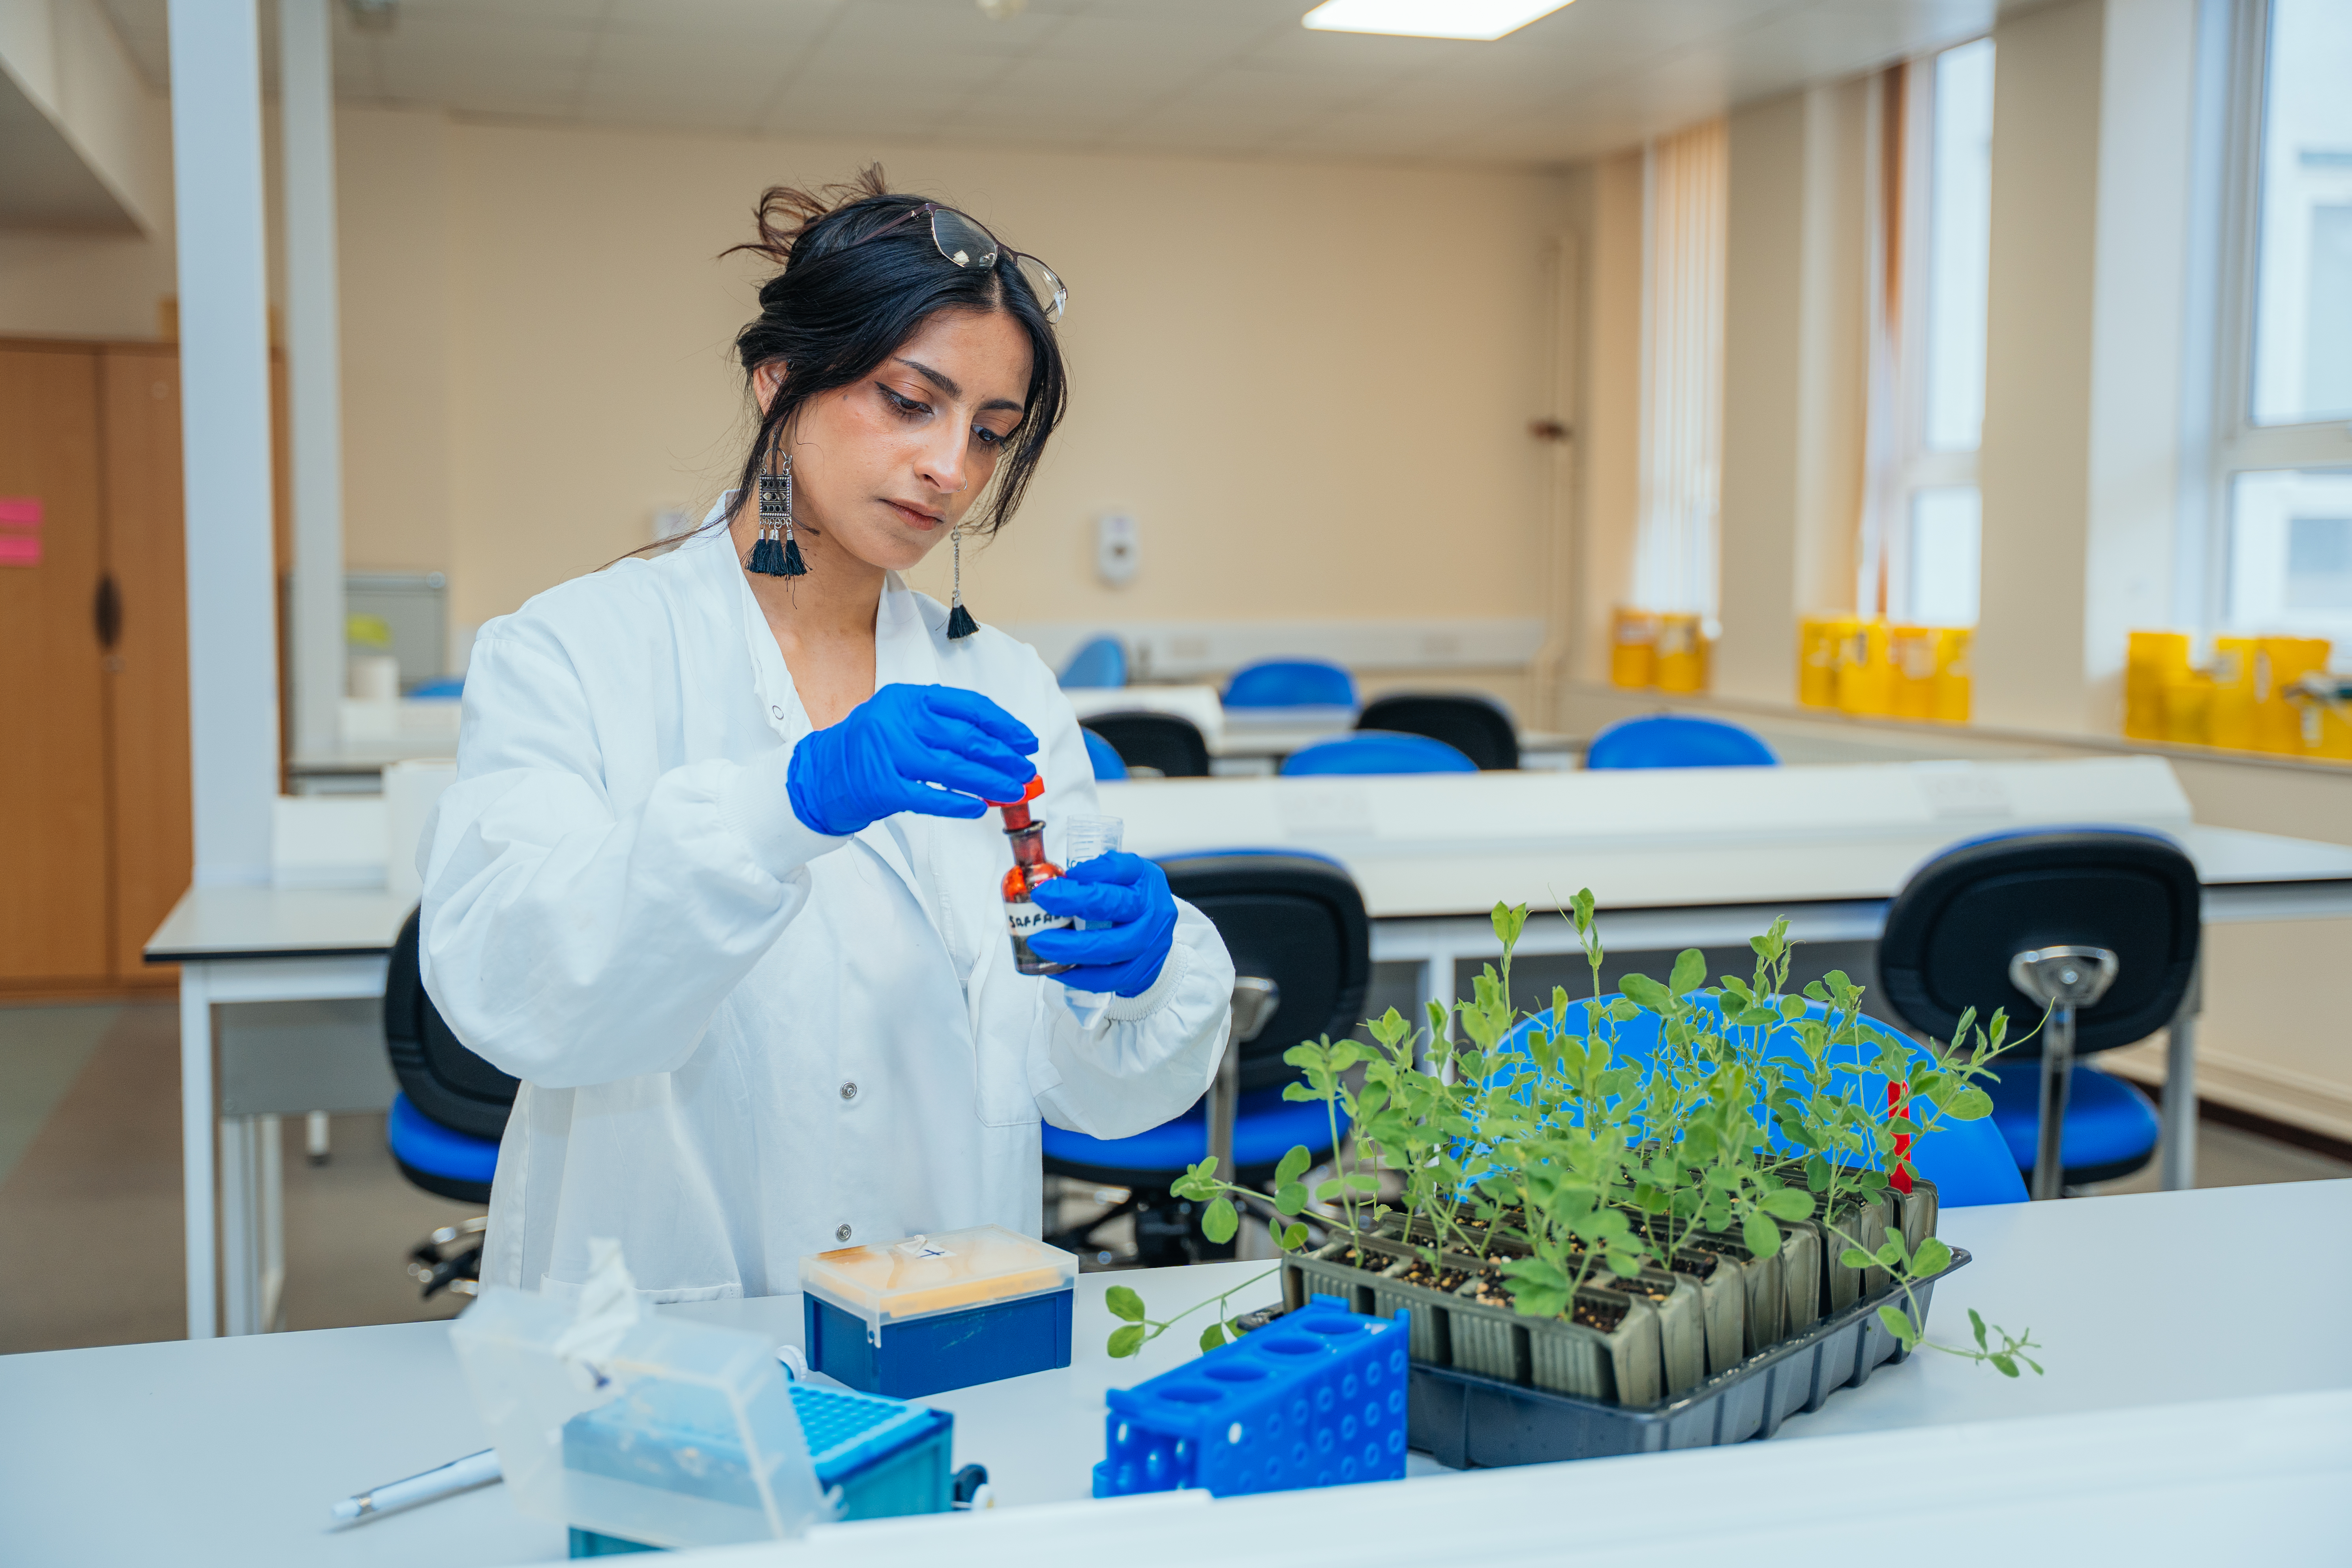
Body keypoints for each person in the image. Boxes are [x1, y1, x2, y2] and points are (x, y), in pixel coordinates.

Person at [418, 169, 1235, 1304]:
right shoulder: (574, 651)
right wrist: (785, 804)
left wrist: (1134, 979)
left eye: (990, 432)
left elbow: (1077, 1080)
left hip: (948, 1306)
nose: (952, 468)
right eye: (912, 400)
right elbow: (512, 982)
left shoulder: (1003, 686)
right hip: (666, 1329)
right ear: (780, 381)